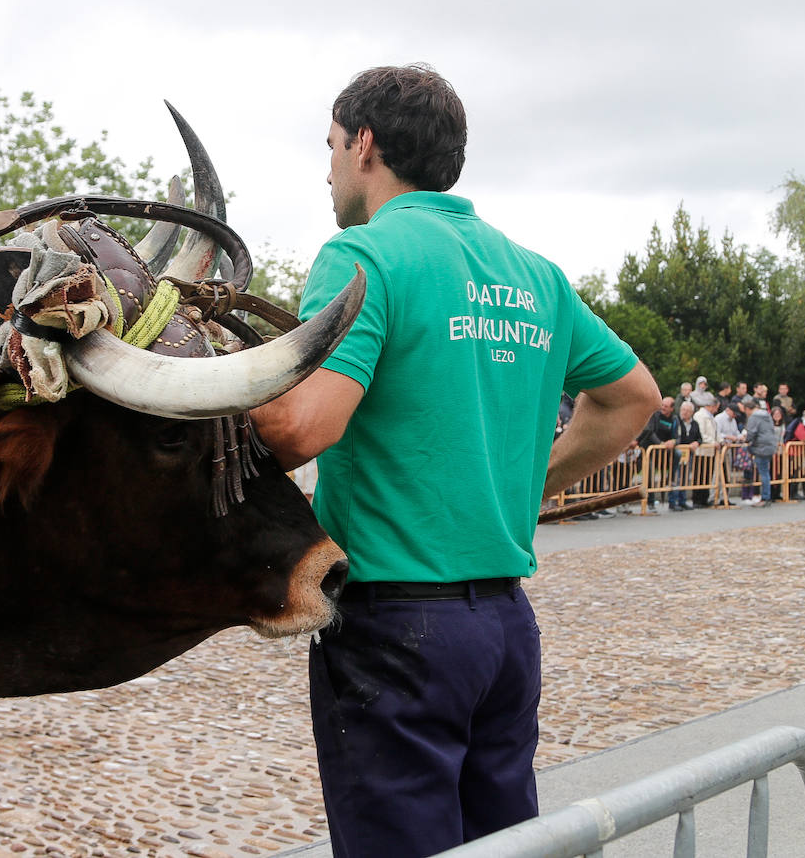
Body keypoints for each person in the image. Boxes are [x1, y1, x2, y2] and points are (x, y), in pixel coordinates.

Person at [249, 64, 659, 858]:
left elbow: (302, 429)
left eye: (332, 145)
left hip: (395, 627)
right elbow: (634, 398)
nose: (328, 165)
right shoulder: (534, 275)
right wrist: (527, 487)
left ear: (365, 145)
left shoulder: (361, 256)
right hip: (506, 629)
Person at [639, 396, 678, 510]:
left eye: (666, 406)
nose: (663, 408)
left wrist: (673, 441)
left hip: (664, 452)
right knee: (650, 472)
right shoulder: (655, 415)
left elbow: (677, 436)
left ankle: (669, 479)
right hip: (650, 449)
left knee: (678, 454)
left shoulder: (674, 419)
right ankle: (650, 501)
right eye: (662, 405)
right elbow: (651, 431)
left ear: (672, 408)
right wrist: (660, 444)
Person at [669, 400, 700, 510]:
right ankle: (673, 502)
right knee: (676, 477)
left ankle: (683, 500)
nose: (684, 412)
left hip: (689, 454)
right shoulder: (676, 421)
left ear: (692, 412)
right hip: (677, 453)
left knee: (685, 477)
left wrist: (697, 442)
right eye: (683, 410)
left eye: (687, 410)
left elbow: (699, 437)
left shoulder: (694, 423)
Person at [692, 397, 719, 507]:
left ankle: (704, 498)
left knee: (707, 475)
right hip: (702, 451)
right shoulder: (700, 415)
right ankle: (697, 499)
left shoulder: (710, 417)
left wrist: (719, 441)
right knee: (700, 474)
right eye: (716, 408)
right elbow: (702, 434)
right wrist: (713, 442)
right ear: (711, 406)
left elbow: (715, 432)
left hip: (710, 451)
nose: (716, 410)